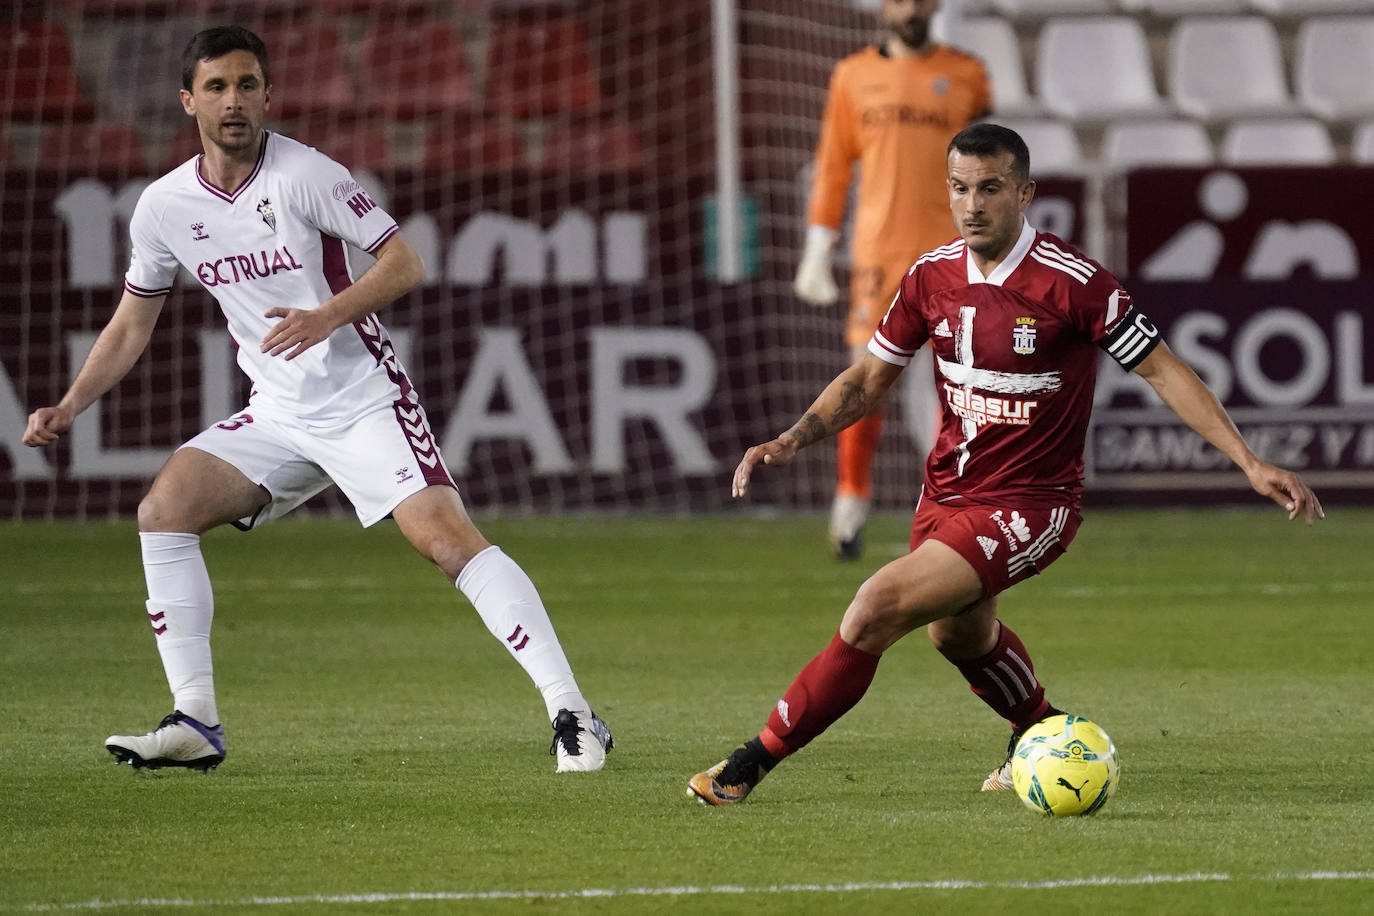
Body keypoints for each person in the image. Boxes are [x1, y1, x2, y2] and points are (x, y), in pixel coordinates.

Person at [21, 26, 612, 774]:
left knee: (447, 543)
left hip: (363, 395)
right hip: (278, 412)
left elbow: (405, 262)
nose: (232, 101)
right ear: (187, 102)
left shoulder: (306, 174)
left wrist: (326, 315)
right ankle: (195, 720)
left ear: (270, 94)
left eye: (245, 85)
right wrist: (71, 405)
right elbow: (133, 320)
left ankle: (573, 715)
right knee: (163, 510)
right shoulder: (164, 207)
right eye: (216, 87)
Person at [687, 123, 1323, 806]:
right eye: (960, 188)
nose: (973, 204)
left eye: (990, 188)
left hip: (1032, 504)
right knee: (958, 634)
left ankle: (748, 765)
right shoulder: (929, 277)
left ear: (1025, 193)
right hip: (945, 497)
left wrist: (1248, 461)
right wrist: (792, 438)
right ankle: (1042, 730)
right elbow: (870, 378)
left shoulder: (1074, 284)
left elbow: (1164, 371)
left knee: (875, 607)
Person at [793, 0, 990, 560]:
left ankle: (955, 505)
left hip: (955, 256)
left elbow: (990, 168)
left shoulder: (968, 76)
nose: (910, 7)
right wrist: (817, 247)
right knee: (869, 381)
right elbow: (833, 166)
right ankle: (850, 499)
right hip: (879, 255)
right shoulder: (853, 76)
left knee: (956, 387)